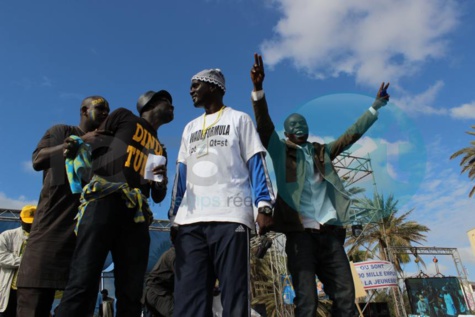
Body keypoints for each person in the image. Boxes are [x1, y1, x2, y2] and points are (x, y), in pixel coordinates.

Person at [250, 53, 390, 317]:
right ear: (287, 132)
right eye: (294, 125)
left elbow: (350, 135)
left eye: (303, 124)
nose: (300, 127)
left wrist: (375, 107)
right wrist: (258, 90)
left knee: (346, 297)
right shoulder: (281, 154)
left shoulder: (321, 152)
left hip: (329, 234)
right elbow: (264, 127)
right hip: (300, 237)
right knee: (307, 301)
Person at [55, 89, 174, 317]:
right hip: (104, 201)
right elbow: (93, 142)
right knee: (83, 279)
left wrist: (161, 181)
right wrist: (78, 145)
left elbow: (157, 196)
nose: (172, 106)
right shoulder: (124, 117)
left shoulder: (160, 149)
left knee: (131, 291)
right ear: (149, 104)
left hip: (136, 216)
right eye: (167, 102)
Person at [169, 68, 275, 317]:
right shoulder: (189, 128)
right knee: (188, 298)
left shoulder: (239, 119)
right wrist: (174, 215)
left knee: (234, 295)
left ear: (213, 87)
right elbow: (181, 175)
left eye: (196, 85)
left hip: (231, 217)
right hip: (190, 222)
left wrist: (265, 205)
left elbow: (256, 162)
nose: (191, 90)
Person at [16, 96, 110, 317]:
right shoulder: (62, 131)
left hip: (81, 241)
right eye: (100, 109)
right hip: (49, 234)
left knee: (81, 305)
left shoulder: (103, 148)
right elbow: (38, 159)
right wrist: (74, 142)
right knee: (33, 304)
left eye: (108, 110)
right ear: (84, 111)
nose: (106, 113)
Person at [0, 206, 36, 317]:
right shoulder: (7, 235)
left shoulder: (41, 239)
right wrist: (25, 261)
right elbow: (1, 257)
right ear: (20, 218)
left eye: (32, 222)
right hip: (9, 288)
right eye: (26, 222)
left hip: (29, 289)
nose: (29, 225)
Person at [144, 228, 177, 317]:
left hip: (156, 293)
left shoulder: (172, 253)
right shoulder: (174, 254)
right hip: (157, 293)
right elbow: (183, 279)